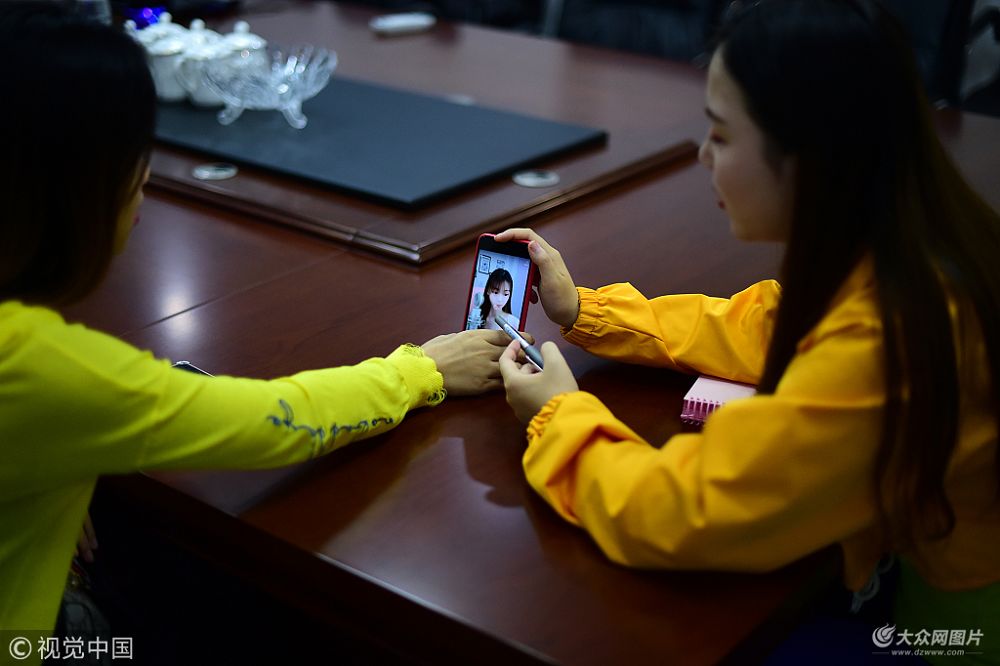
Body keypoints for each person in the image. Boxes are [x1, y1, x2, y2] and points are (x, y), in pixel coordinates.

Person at [497, 0, 1000, 660]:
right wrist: (585, 311)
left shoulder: (886, 342)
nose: (704, 155)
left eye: (722, 135)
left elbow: (683, 513)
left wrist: (557, 414)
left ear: (811, 156)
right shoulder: (917, 246)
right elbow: (760, 326)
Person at [0, 2, 511, 637]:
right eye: (132, 158)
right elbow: (278, 423)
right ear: (77, 189)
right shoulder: (45, 370)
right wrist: (423, 369)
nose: (144, 179)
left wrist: (64, 459)